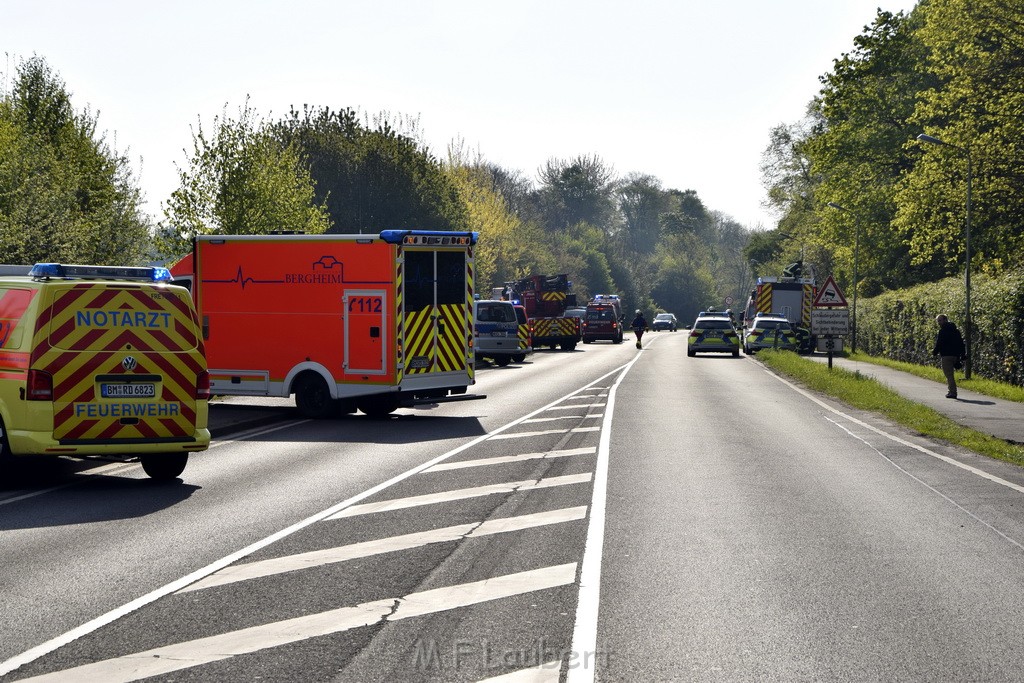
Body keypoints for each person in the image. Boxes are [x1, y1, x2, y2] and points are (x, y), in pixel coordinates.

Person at [932, 313, 966, 399]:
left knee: (949, 375)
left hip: (946, 356)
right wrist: (962, 354)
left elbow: (939, 343)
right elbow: (961, 343)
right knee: (950, 375)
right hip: (956, 355)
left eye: (940, 320)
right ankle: (951, 391)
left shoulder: (942, 331)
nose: (939, 322)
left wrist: (934, 352)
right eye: (938, 321)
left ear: (945, 320)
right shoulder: (956, 331)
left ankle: (952, 392)